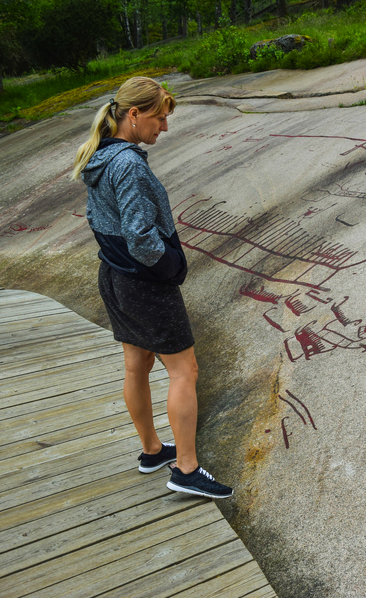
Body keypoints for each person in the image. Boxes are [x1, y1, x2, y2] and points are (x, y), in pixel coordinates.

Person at [71, 76, 232, 499]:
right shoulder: (128, 165)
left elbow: (98, 218)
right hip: (143, 282)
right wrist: (172, 267)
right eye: (159, 119)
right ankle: (187, 470)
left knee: (136, 366)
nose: (164, 127)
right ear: (135, 115)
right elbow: (142, 236)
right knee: (185, 370)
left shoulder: (100, 157)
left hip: (114, 276)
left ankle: (153, 451)